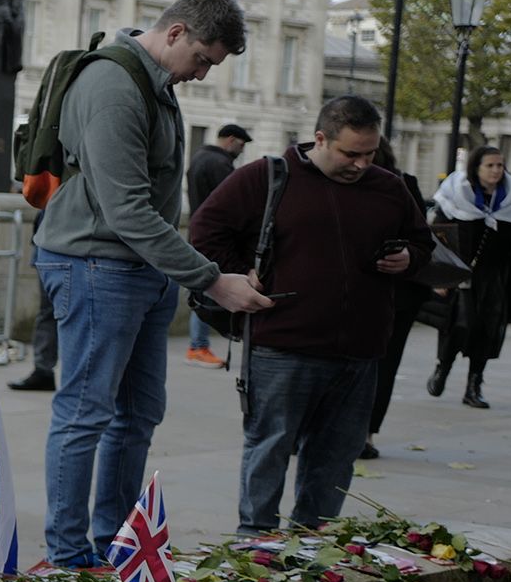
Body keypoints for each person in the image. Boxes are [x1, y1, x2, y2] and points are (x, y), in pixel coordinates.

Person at [33, 0, 273, 568]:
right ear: (177, 33)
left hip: (137, 269)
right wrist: (213, 281)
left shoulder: (154, 83)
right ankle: (68, 558)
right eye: (204, 60)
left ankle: (114, 545)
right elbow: (127, 211)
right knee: (85, 413)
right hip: (96, 266)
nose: (203, 74)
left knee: (138, 413)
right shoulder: (114, 84)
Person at [190, 96, 432, 534]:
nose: (361, 163)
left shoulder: (389, 187)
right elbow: (204, 231)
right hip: (284, 343)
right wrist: (239, 276)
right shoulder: (265, 177)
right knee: (270, 446)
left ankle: (312, 543)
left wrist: (409, 258)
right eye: (350, 153)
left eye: (369, 153)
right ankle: (255, 542)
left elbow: (423, 244)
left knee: (336, 455)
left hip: (360, 348)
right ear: (320, 139)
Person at [426, 145, 511, 409]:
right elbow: (439, 236)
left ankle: (474, 385)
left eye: (500, 165)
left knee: (488, 329)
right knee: (460, 325)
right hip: (462, 273)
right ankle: (443, 368)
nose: (496, 170)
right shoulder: (456, 194)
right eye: (490, 165)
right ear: (476, 168)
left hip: (496, 276)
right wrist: (439, 277)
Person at [362, 137, 433, 458]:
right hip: (392, 292)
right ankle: (365, 434)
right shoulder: (404, 183)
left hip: (393, 292)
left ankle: (363, 433)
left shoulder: (401, 185)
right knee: (382, 365)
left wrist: (407, 255)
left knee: (380, 364)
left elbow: (422, 242)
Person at [183, 123, 252, 369]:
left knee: (202, 289)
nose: (240, 151)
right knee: (209, 290)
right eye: (241, 145)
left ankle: (197, 345)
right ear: (231, 140)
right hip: (217, 239)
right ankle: (198, 346)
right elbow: (235, 205)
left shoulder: (199, 158)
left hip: (197, 233)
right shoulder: (220, 164)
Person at [9, 209, 57, 391]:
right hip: (48, 237)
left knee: (52, 313)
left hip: (61, 237)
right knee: (48, 312)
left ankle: (44, 369)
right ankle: (43, 370)